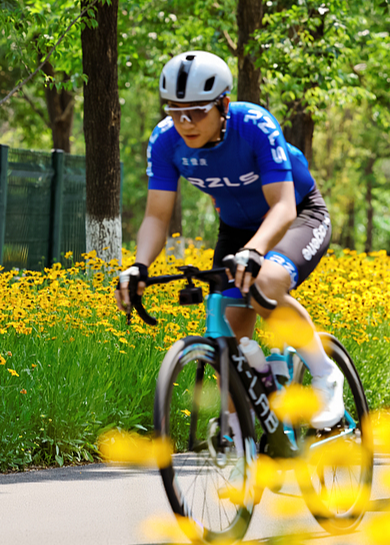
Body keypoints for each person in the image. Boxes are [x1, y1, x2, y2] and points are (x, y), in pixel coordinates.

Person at [114, 51, 345, 433]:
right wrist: (139, 265)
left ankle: (325, 376)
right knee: (229, 331)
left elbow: (284, 206)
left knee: (265, 284)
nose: (185, 122)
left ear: (223, 104)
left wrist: (256, 252)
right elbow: (156, 215)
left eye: (198, 111)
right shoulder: (165, 141)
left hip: (297, 215)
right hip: (236, 228)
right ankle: (244, 435)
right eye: (175, 111)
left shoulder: (254, 124)